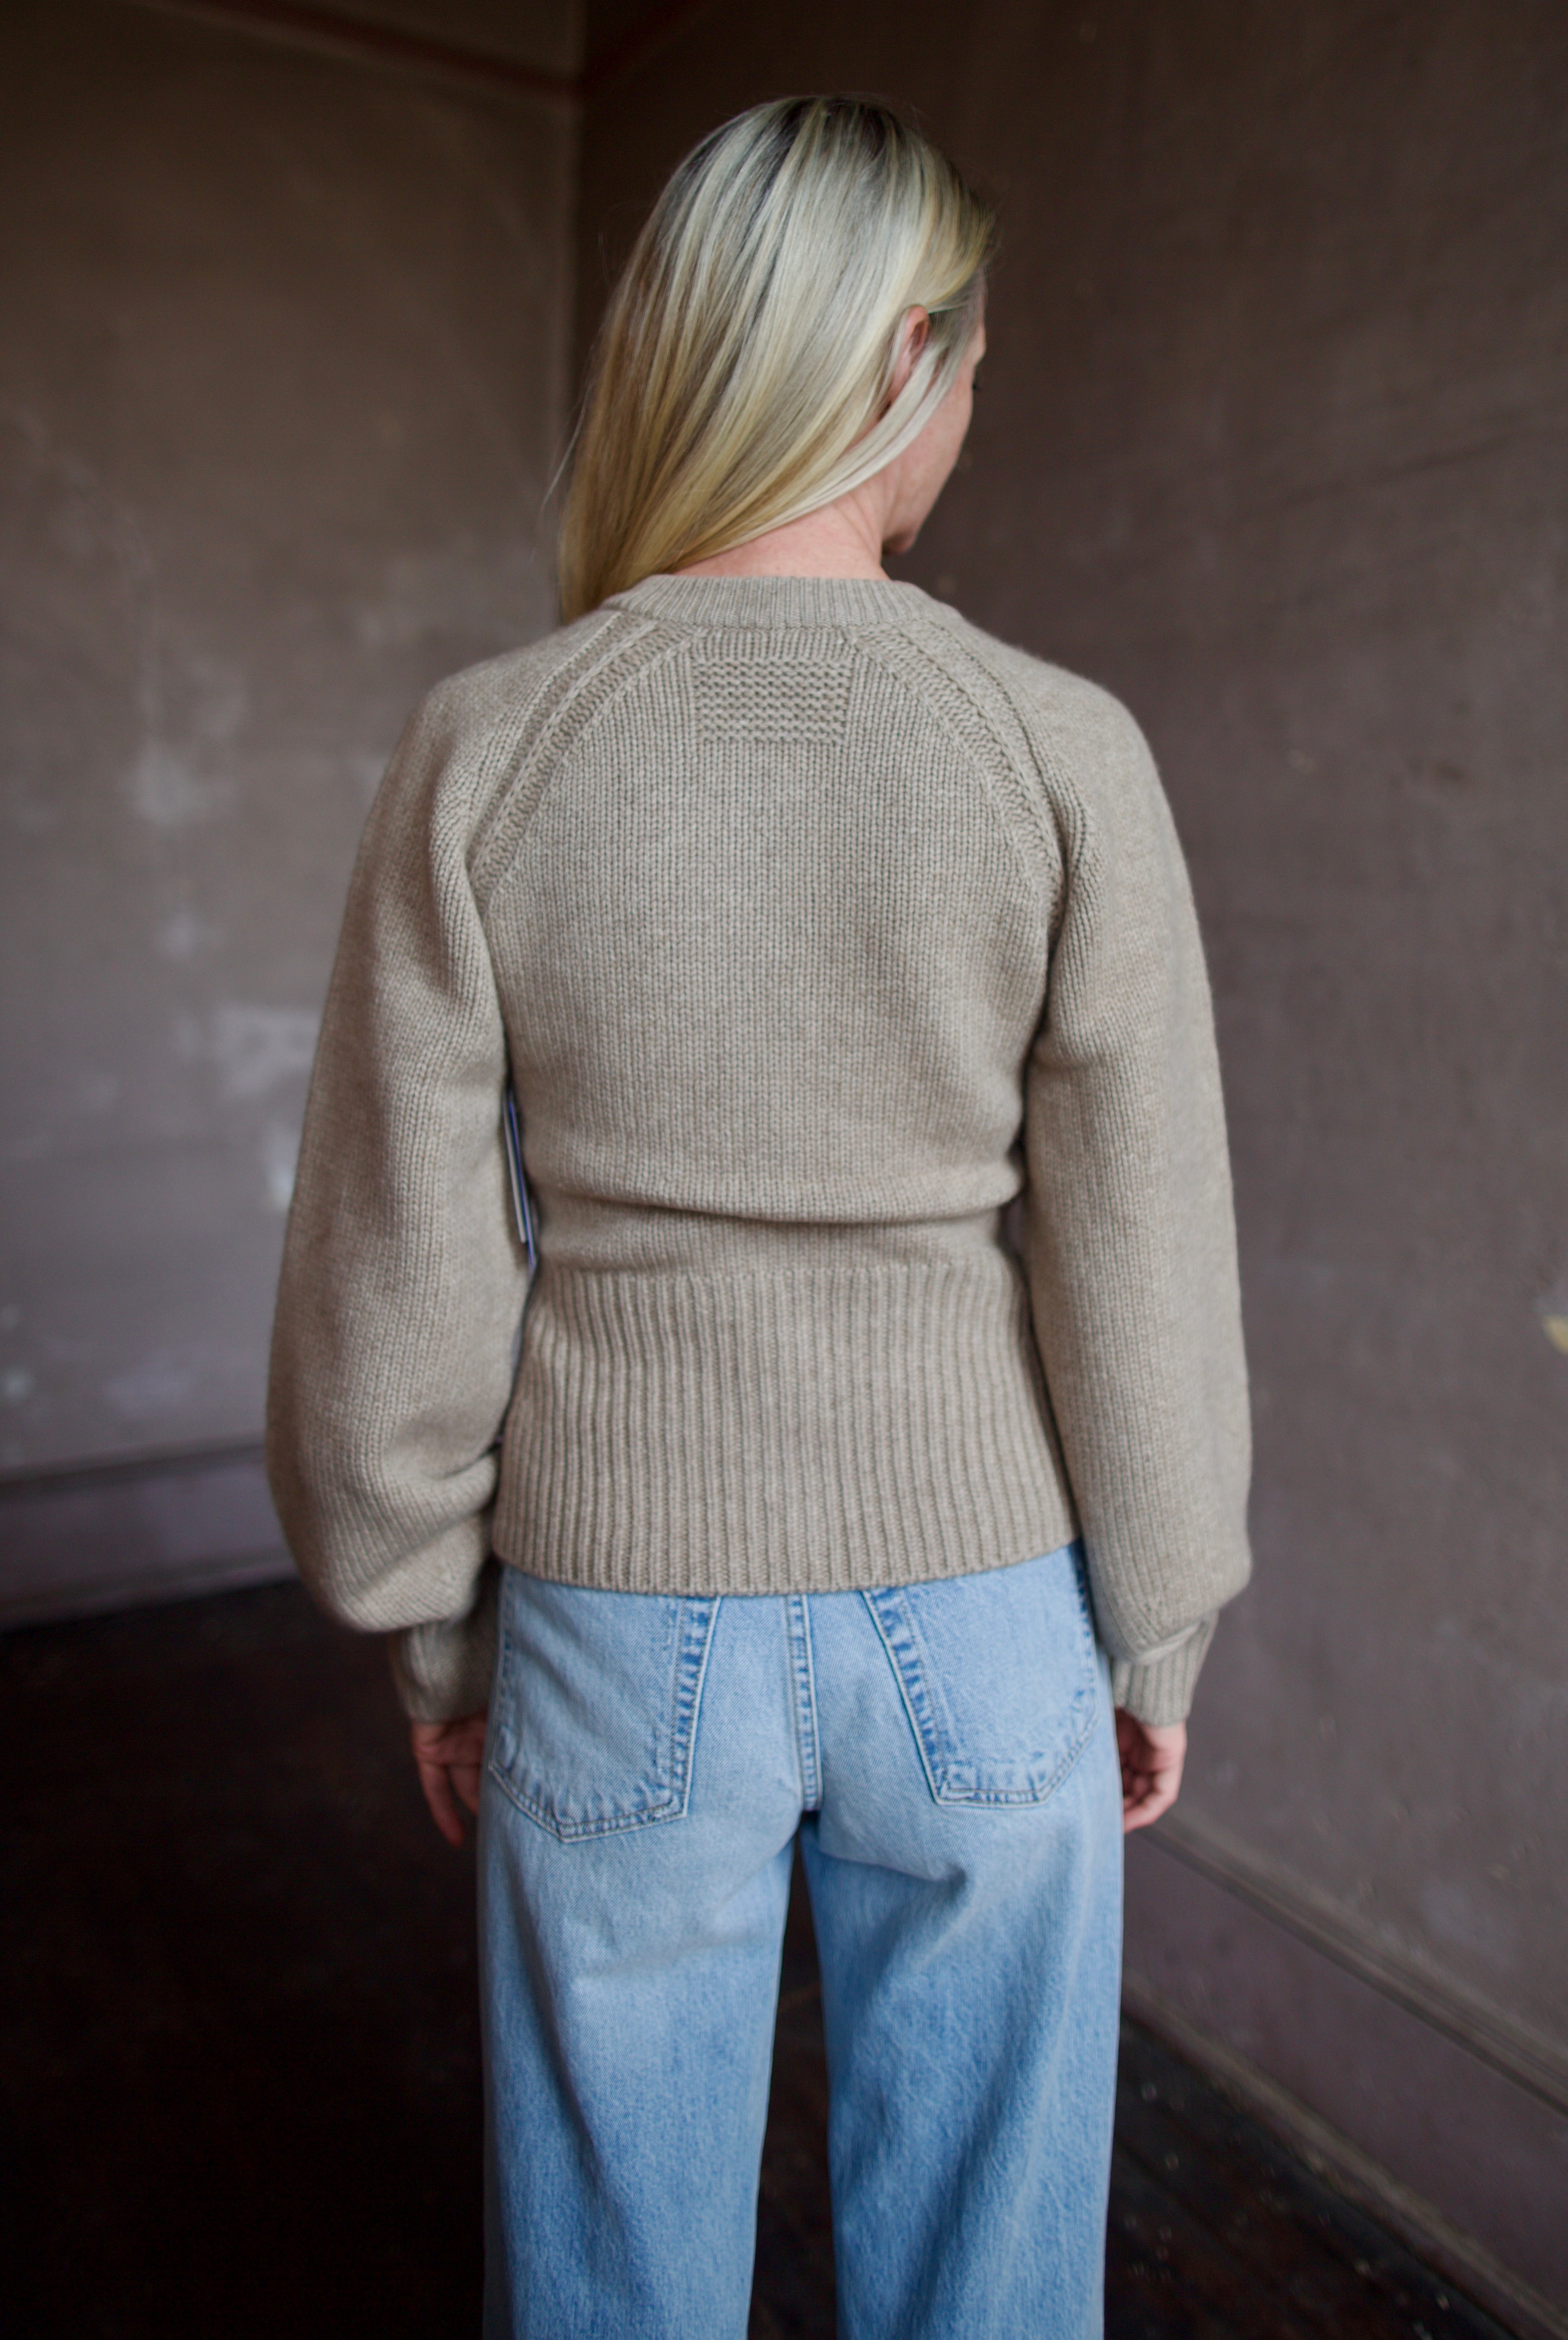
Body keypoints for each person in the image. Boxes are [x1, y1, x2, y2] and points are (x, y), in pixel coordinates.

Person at [267, 95, 1250, 2340]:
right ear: (900, 353)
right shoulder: (1058, 745)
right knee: (995, 2286)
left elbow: (393, 1258)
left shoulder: (493, 746)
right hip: (994, 1619)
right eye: (976, 371)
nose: (973, 422)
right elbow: (1143, 1241)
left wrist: (436, 1626)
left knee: (607, 2279)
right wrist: (1160, 1615)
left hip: (618, 1619)